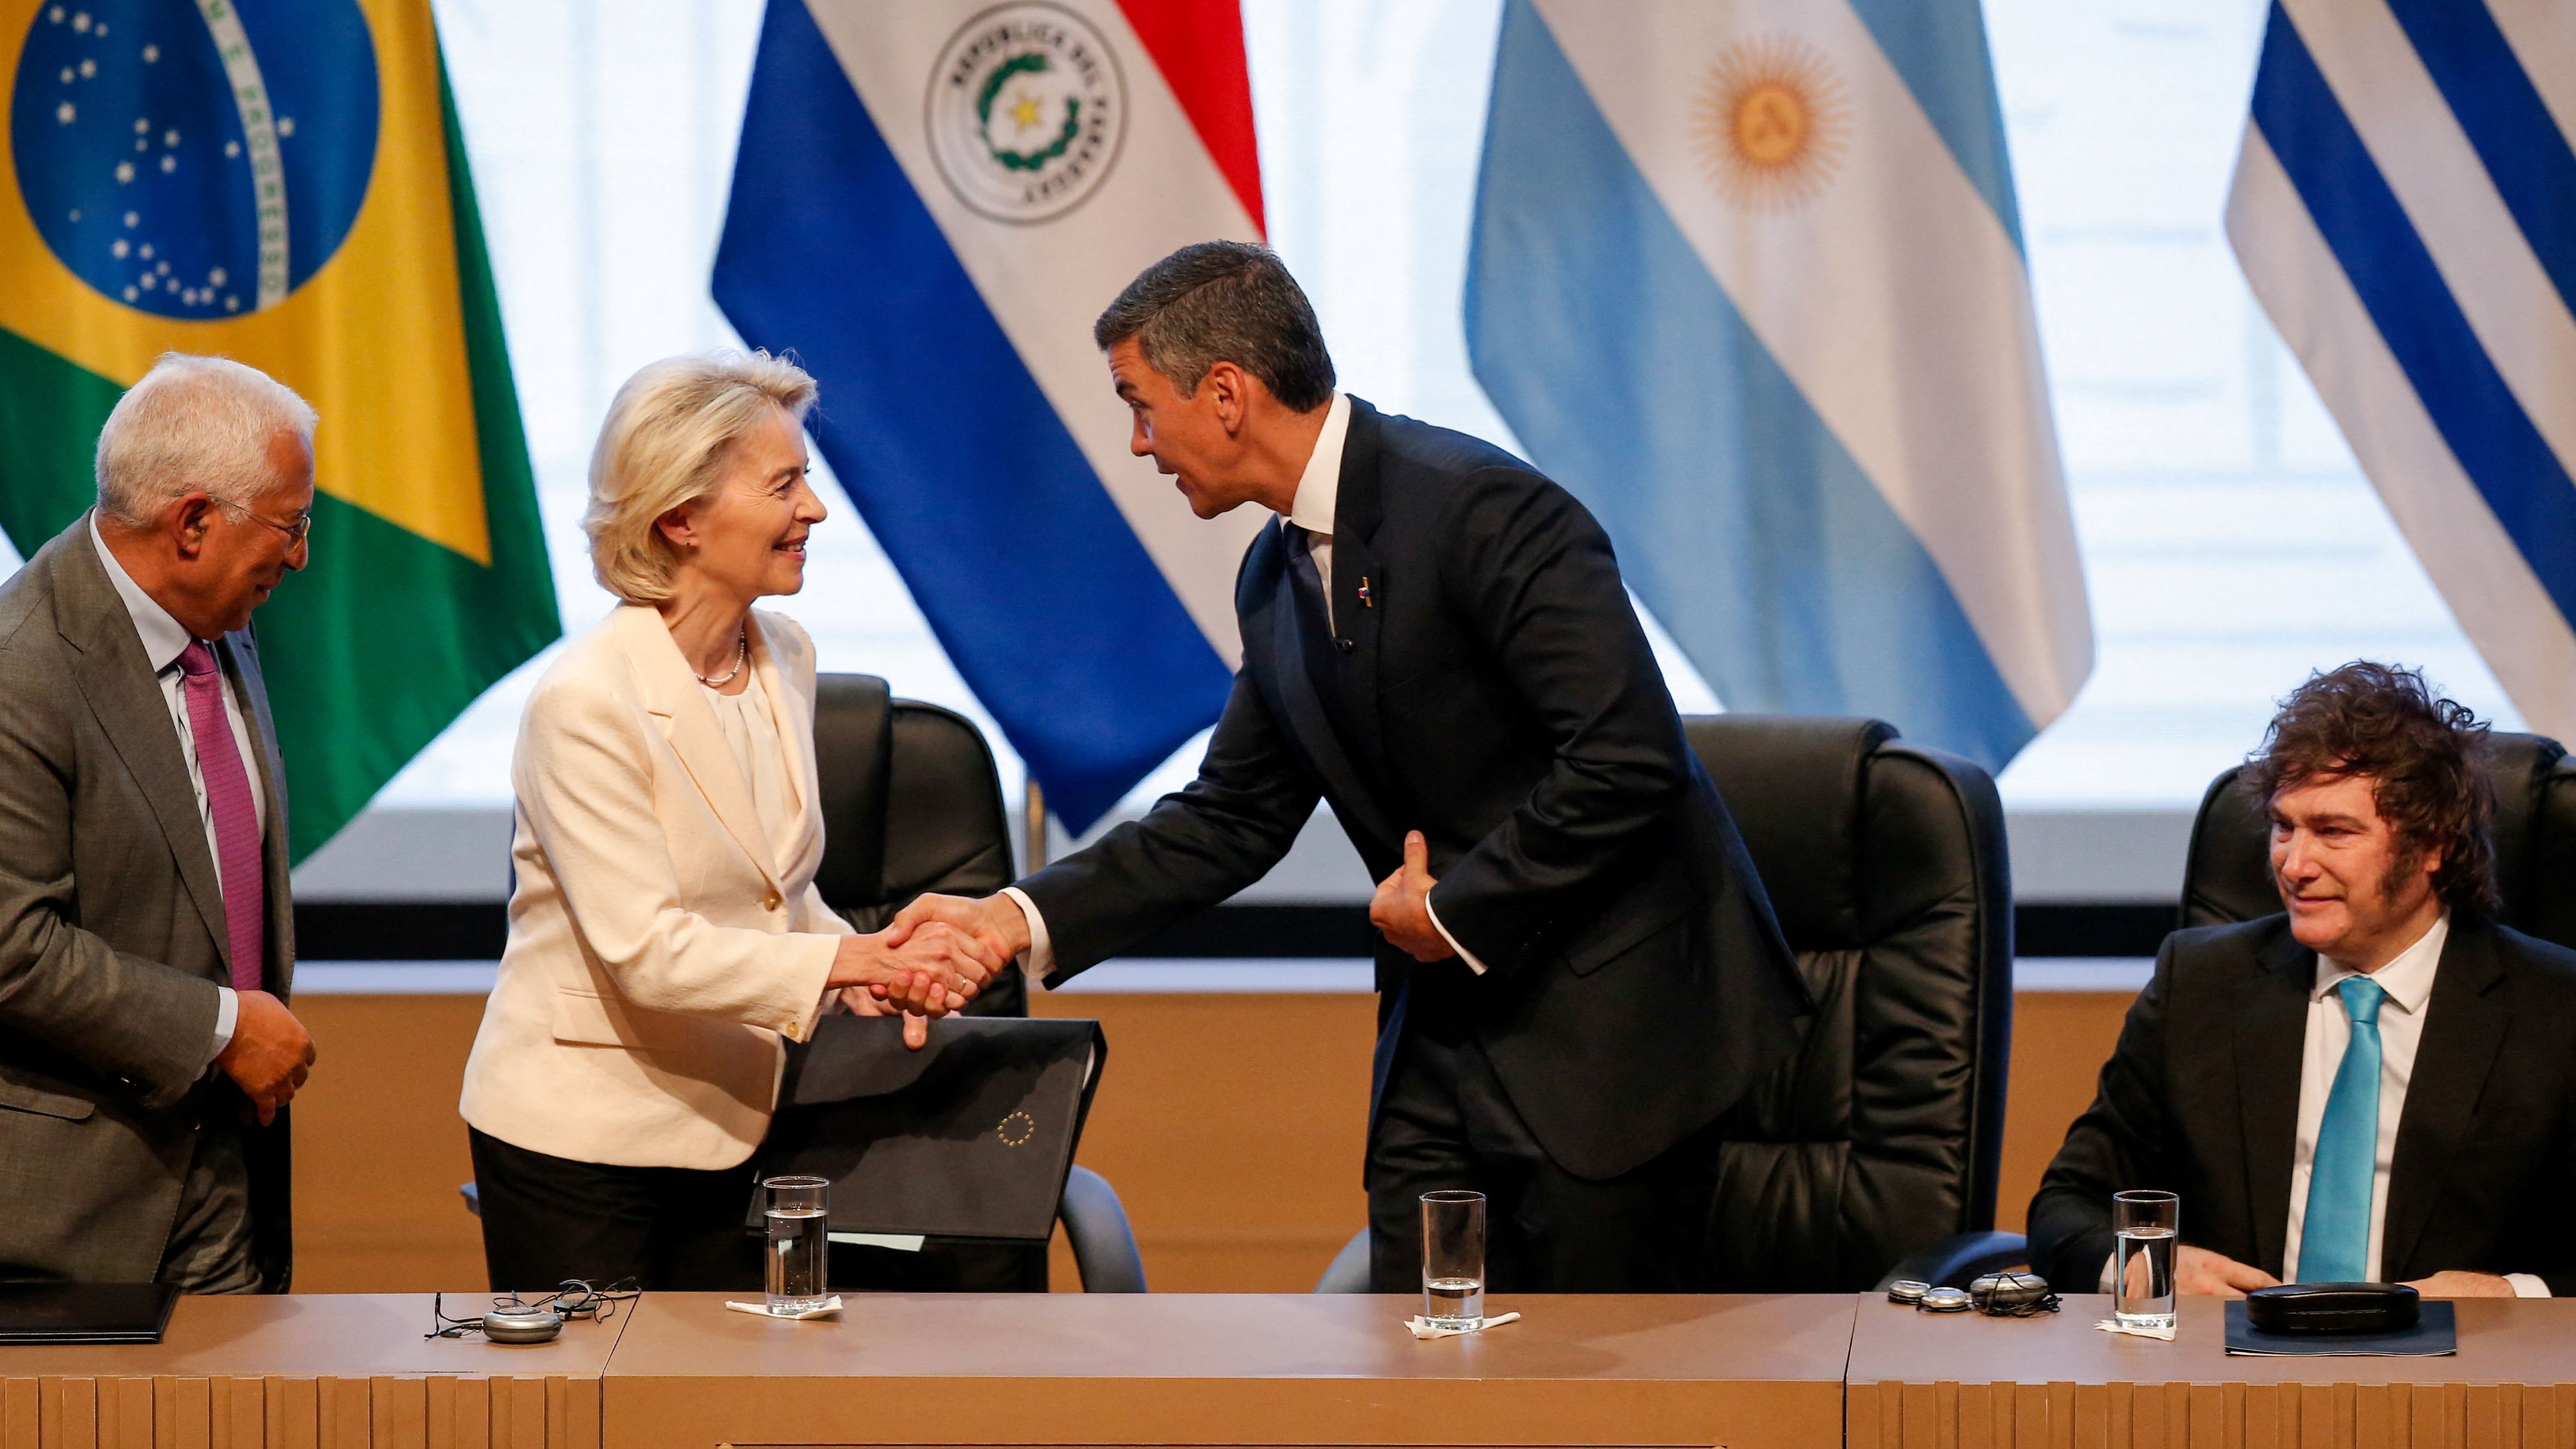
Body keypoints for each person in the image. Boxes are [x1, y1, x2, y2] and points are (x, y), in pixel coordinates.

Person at [892, 242, 1807, 1292]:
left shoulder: (1482, 509)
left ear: (1224, 394)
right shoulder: (1272, 573)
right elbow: (1230, 816)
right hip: (1439, 1045)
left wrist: (1456, 907)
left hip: (1612, 1043)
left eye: (1139, 406)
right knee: (1404, 1353)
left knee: (1590, 1371)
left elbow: (1627, 755)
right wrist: (1006, 921)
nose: (1138, 443)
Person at [457, 352, 1001, 1291]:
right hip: (584, 1143)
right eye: (783, 485)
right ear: (680, 516)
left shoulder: (784, 653)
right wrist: (847, 963)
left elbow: (774, 891)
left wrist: (870, 967)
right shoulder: (585, 701)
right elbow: (648, 951)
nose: (814, 510)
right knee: (606, 1392)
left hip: (742, 1116)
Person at [2029, 662, 2576, 1298]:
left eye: (2333, 832)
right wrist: (2146, 1265)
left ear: (2434, 846)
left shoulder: (2554, 1008)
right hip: (2230, 1352)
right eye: (2283, 826)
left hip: (2461, 1357)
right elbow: (2067, 1207)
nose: (2292, 864)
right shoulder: (2200, 986)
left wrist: (2512, 1296)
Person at [0, 354, 320, 1291]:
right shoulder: (21, 670)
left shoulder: (218, 616)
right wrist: (222, 1027)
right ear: (193, 522)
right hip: (79, 1213)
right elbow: (12, 945)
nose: (300, 556)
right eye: (291, 525)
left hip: (233, 1168)